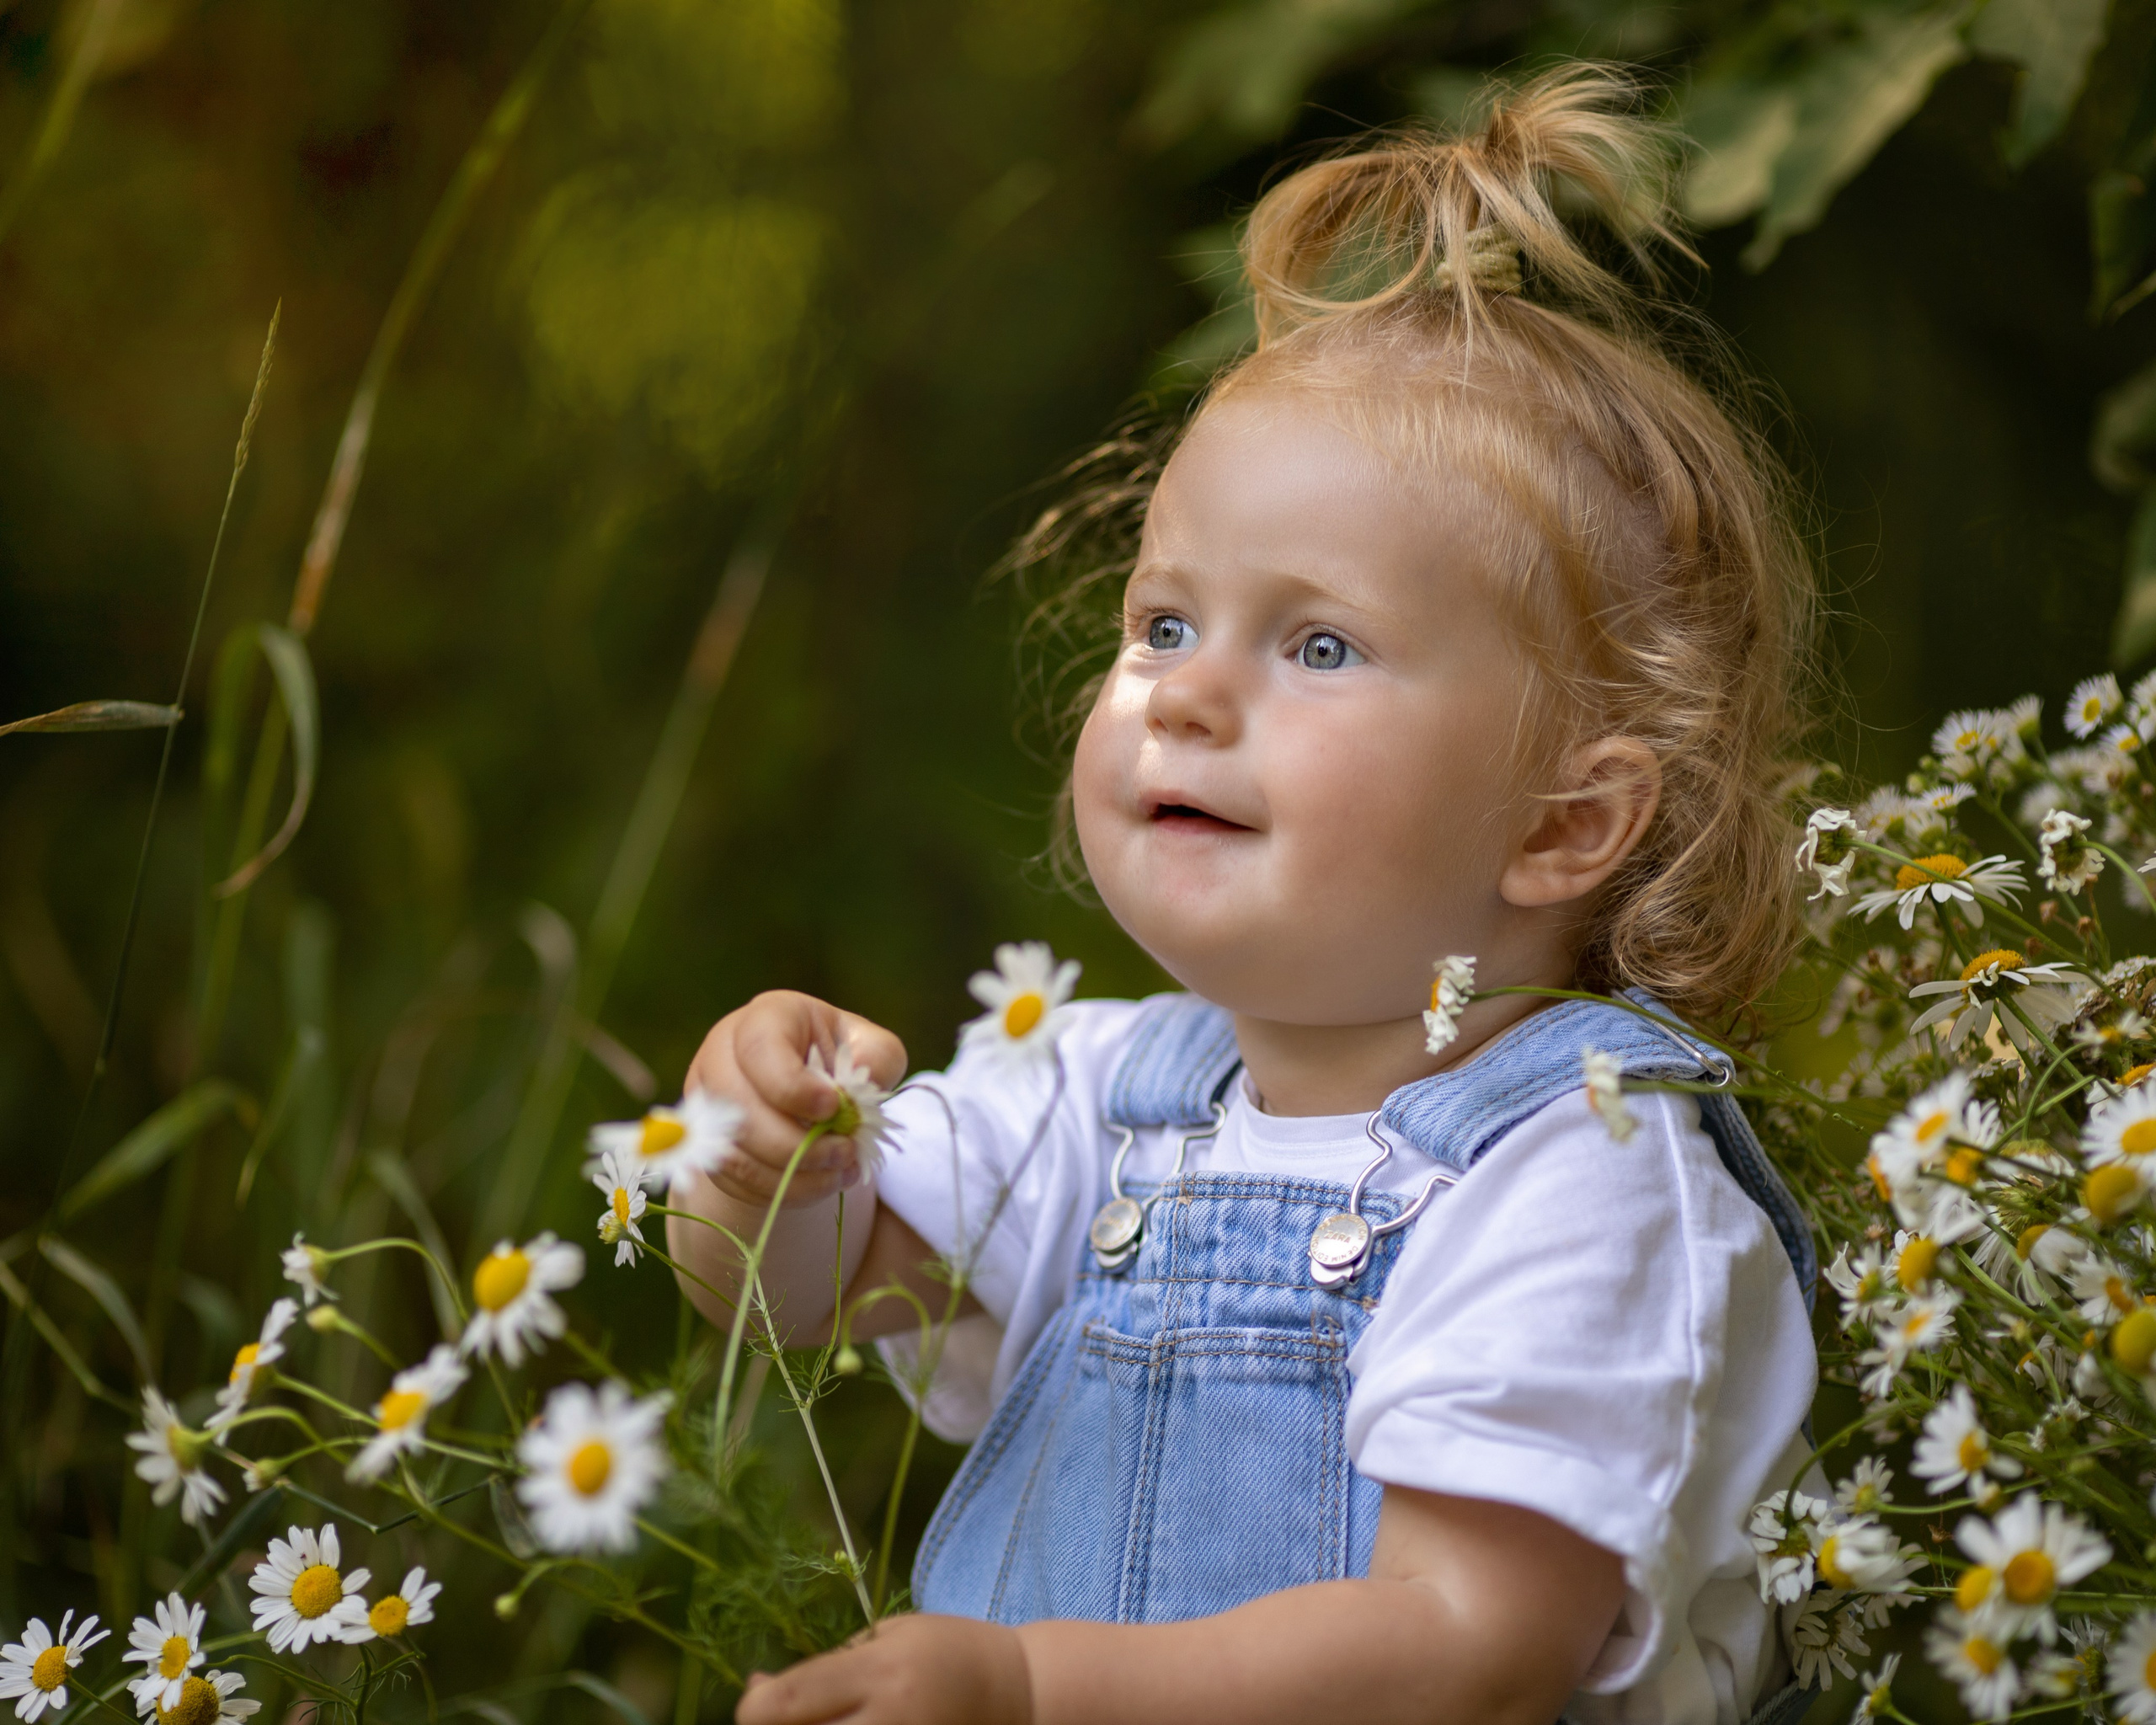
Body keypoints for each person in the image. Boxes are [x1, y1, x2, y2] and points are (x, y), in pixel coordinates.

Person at [668, 62, 1821, 1725]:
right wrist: (760, 1162)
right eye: (1164, 623)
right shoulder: (1105, 1100)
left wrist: (1031, 1689)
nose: (1187, 693)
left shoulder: (1583, 1179)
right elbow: (799, 1294)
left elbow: (1471, 1649)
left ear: (1562, 825)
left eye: (1321, 645)